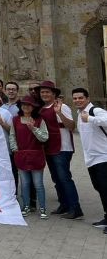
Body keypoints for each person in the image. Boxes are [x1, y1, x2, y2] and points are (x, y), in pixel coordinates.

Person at [35, 80, 82, 219]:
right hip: (49, 147)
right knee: (56, 179)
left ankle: (75, 208)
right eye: (42, 92)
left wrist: (60, 113)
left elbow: (71, 126)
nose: (44, 94)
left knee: (65, 178)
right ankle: (64, 204)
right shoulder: (42, 108)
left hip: (62, 147)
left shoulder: (62, 106)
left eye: (47, 92)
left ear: (54, 93)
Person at [71, 87, 107, 233]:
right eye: (75, 98)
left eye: (80, 98)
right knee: (100, 188)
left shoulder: (95, 111)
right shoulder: (80, 114)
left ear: (87, 98)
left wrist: (90, 118)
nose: (77, 100)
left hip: (103, 157)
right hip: (91, 159)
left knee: (105, 189)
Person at [10, 95, 49, 218]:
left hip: (36, 154)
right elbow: (12, 135)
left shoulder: (39, 120)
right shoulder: (15, 120)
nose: (26, 106)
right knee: (25, 183)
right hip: (21, 155)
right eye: (23, 104)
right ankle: (26, 206)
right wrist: (15, 149)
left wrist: (34, 129)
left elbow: (44, 137)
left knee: (38, 184)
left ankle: (42, 207)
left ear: (33, 107)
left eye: (28, 104)